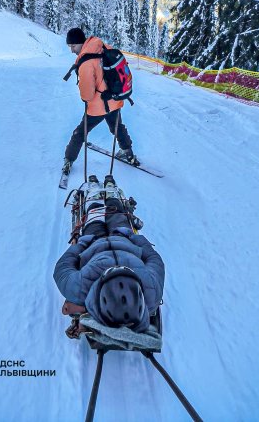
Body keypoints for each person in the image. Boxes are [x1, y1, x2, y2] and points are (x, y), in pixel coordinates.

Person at [53, 175, 165, 333]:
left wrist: (82, 244)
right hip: (123, 238)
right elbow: (154, 258)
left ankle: (94, 192)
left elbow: (63, 265)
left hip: (94, 243)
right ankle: (110, 191)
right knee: (117, 211)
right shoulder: (152, 291)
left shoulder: (77, 289)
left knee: (94, 213)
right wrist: (133, 236)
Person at [62, 27, 138, 175]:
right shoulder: (101, 46)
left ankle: (68, 159)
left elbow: (87, 96)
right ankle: (128, 152)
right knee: (117, 127)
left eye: (73, 46)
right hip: (114, 99)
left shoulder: (86, 63)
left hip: (98, 106)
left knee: (80, 133)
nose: (72, 50)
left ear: (80, 43)